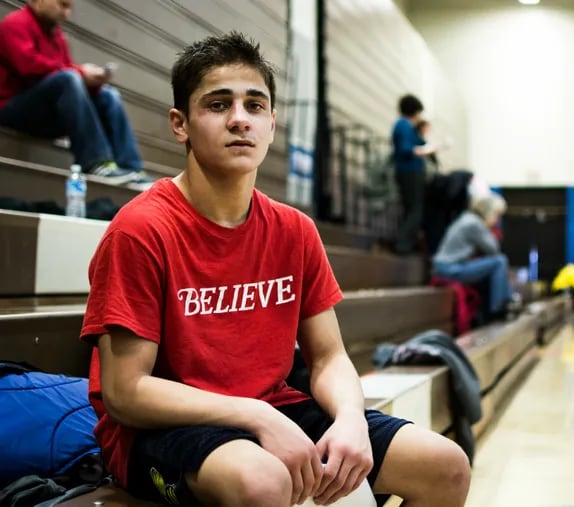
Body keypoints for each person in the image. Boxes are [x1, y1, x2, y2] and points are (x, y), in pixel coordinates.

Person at [80, 32, 470, 507]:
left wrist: (350, 418)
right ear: (180, 124)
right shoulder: (140, 229)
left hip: (273, 408)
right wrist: (256, 417)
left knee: (446, 467)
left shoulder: (294, 230)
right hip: (164, 429)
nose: (240, 119)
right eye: (218, 105)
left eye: (255, 105)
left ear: (271, 122)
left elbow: (328, 358)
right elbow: (126, 392)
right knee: (264, 482)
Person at [0, 0, 152, 188]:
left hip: (46, 116)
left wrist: (92, 82)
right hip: (12, 108)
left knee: (108, 96)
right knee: (69, 78)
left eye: (69, 8)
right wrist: (80, 73)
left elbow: (66, 75)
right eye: (62, 5)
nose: (67, 13)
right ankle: (96, 163)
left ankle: (131, 168)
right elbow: (28, 67)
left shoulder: (57, 37)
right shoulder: (15, 24)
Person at [432, 193, 511, 322]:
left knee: (495, 267)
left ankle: (505, 303)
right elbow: (493, 249)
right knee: (500, 261)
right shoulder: (474, 224)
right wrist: (491, 227)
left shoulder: (467, 218)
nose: (497, 220)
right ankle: (498, 309)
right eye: (497, 215)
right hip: (450, 269)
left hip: (448, 267)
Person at [391, 94, 439, 255]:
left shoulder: (406, 126)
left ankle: (405, 244)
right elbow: (406, 149)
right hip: (409, 171)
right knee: (414, 210)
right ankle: (403, 245)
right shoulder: (404, 125)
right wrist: (424, 150)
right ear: (416, 111)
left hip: (409, 171)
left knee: (411, 209)